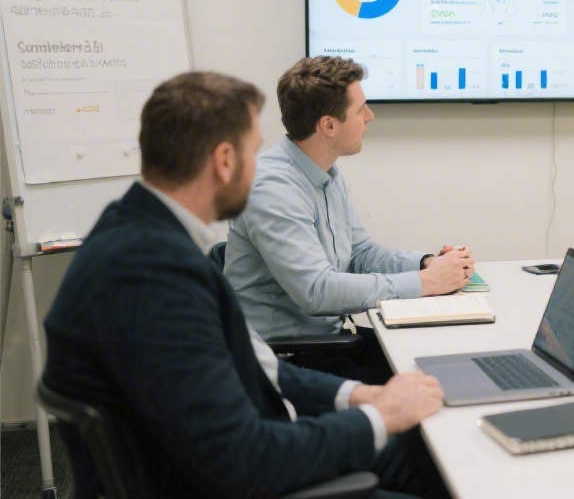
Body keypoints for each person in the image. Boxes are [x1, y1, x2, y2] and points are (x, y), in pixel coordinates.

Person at [42, 72, 449, 498]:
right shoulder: (151, 277)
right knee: (443, 463)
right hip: (237, 477)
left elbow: (257, 368)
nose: (261, 167)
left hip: (250, 444)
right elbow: (242, 459)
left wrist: (359, 396)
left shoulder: (142, 234)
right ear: (224, 161)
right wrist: (380, 419)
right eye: (253, 152)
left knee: (431, 452)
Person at [225, 56, 472, 383]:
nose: (370, 116)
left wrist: (426, 264)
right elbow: (317, 291)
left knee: (442, 360)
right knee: (429, 386)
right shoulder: (272, 188)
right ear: (329, 126)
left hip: (327, 342)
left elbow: (360, 253)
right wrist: (427, 283)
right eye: (361, 110)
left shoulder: (326, 174)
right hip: (283, 359)